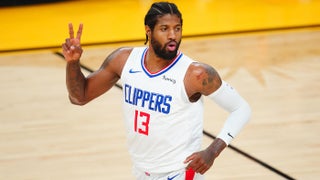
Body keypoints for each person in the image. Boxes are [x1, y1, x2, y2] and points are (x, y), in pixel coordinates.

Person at [62, 2, 251, 180]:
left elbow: (241, 108)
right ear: (148, 30)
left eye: (177, 29)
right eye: (164, 29)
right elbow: (79, 96)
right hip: (141, 171)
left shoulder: (196, 74)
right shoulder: (124, 60)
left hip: (179, 172)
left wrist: (212, 151)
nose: (172, 36)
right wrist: (73, 63)